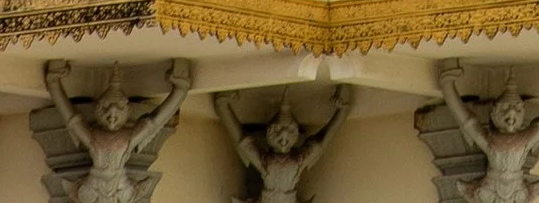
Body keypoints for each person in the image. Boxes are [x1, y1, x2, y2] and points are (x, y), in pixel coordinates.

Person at [41, 70, 191, 203]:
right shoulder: (95, 136)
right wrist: (54, 84)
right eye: (106, 109)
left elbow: (155, 122)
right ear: (99, 111)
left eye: (118, 109)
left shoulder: (127, 136)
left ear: (125, 113)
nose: (112, 115)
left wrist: (179, 92)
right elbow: (72, 120)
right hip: (95, 186)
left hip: (119, 187)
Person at [437, 69, 539, 203]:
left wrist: (447, 87)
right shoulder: (494, 141)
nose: (511, 116)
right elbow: (467, 122)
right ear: (494, 114)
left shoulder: (521, 140)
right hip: (496, 188)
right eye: (505, 110)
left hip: (510, 189)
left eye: (517, 110)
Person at [212, 96, 342, 203]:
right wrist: (223, 107)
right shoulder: (269, 161)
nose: (284, 140)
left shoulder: (295, 162)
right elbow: (243, 141)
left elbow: (321, 143)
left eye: (289, 134)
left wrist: (342, 111)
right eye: (278, 133)